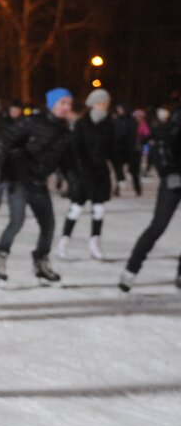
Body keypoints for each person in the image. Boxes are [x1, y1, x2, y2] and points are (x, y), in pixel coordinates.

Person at [0, 89, 72, 286]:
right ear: (52, 103)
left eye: (69, 103)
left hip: (38, 181)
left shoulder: (65, 131)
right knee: (16, 221)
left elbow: (66, 160)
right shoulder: (33, 121)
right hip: (18, 178)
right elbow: (6, 140)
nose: (66, 107)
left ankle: (41, 264)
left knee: (48, 224)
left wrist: (72, 180)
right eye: (62, 102)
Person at [120, 109, 181, 292]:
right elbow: (160, 145)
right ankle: (131, 270)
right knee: (158, 226)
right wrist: (168, 170)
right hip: (174, 180)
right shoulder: (175, 121)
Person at [58, 89, 115, 260]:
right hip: (84, 174)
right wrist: (78, 171)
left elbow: (113, 151)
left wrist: (119, 174)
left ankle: (94, 244)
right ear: (92, 104)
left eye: (105, 103)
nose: (102, 106)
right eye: (99, 103)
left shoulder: (109, 125)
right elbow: (75, 150)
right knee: (75, 209)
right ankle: (63, 242)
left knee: (98, 210)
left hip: (100, 175)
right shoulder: (82, 124)